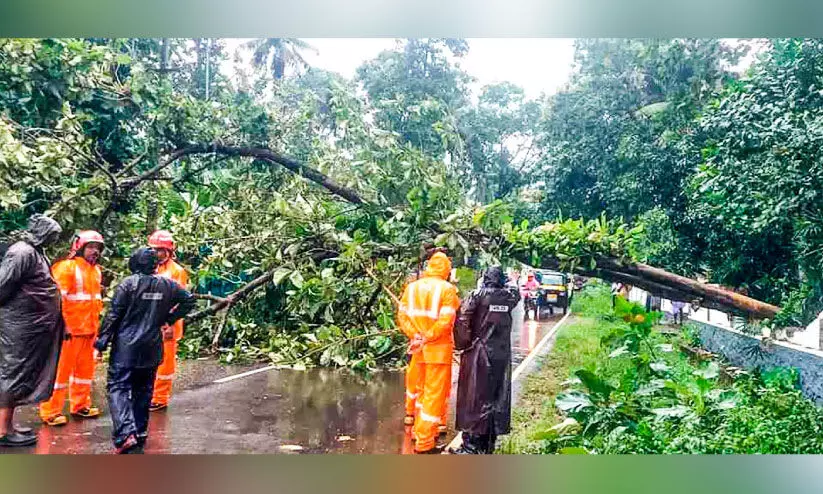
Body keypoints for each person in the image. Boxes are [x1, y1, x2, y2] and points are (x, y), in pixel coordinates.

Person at [93, 247, 195, 454]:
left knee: (118, 387)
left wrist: (101, 343)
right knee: (143, 390)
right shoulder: (167, 285)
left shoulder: (128, 285)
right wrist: (169, 318)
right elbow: (189, 299)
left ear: (134, 264)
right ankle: (139, 433)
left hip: (126, 348)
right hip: (151, 346)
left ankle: (125, 434)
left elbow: (113, 316)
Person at [0, 214, 64, 447]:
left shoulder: (36, 252)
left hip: (33, 329)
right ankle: (2, 431)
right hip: (19, 328)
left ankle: (8, 425)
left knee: (21, 374)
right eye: (52, 235)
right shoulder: (22, 253)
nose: (54, 239)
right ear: (41, 232)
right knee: (13, 372)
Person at [449, 266, 520, 454]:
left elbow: (463, 319)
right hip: (500, 354)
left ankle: (471, 446)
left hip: (478, 353)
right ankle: (488, 443)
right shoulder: (509, 297)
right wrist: (510, 281)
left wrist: (464, 344)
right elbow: (516, 292)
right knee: (495, 397)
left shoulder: (476, 295)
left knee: (474, 400)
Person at [39, 231, 105, 426]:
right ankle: (50, 411)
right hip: (69, 332)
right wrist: (63, 326)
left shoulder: (96, 271)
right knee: (60, 373)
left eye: (98, 248)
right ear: (80, 247)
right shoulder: (66, 268)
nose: (95, 251)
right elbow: (55, 301)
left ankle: (80, 405)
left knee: (84, 373)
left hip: (89, 330)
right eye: (91, 247)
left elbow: (93, 302)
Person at [397, 252, 460, 454]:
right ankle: (425, 442)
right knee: (434, 395)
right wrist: (428, 336)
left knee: (421, 390)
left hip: (418, 348)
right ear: (447, 270)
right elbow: (446, 322)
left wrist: (416, 335)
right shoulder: (447, 290)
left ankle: (418, 430)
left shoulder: (412, 288)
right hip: (438, 351)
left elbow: (403, 316)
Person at [147, 230, 189, 412]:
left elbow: (177, 300)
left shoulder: (176, 272)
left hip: (167, 325)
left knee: (164, 364)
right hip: (151, 324)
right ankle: (149, 395)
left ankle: (159, 398)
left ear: (168, 251)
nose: (156, 253)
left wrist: (169, 324)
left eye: (159, 250)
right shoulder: (150, 269)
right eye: (154, 250)